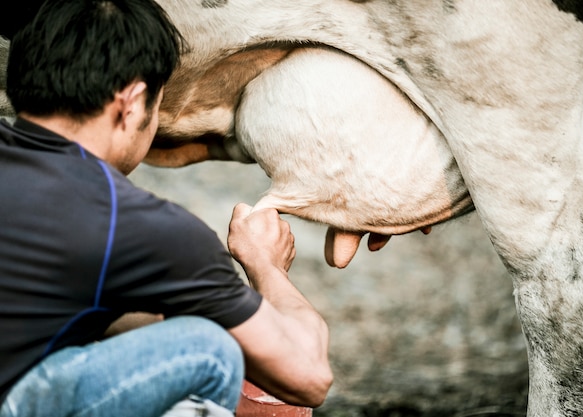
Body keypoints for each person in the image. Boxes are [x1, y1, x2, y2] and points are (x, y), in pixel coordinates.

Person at [0, 0, 333, 416]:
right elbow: (308, 376)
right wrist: (266, 265)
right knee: (207, 350)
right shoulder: (140, 227)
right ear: (133, 102)